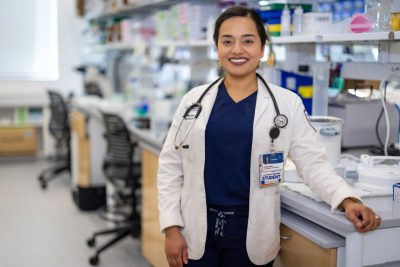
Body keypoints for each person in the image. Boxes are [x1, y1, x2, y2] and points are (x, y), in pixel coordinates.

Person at [157, 6, 381, 267]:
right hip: (195, 227)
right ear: (217, 48)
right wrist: (171, 228)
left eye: (248, 41)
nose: (237, 50)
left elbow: (313, 164)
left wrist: (347, 200)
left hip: (251, 230)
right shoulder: (193, 101)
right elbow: (170, 166)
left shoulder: (287, 104)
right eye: (227, 41)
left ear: (262, 49)